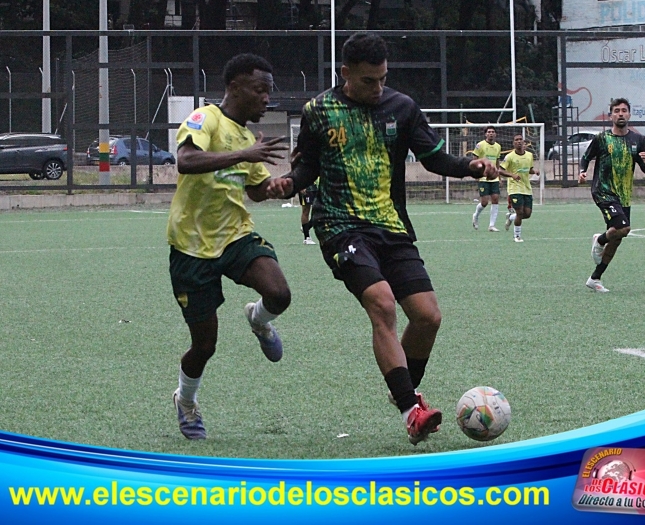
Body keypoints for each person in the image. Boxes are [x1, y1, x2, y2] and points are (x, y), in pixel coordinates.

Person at [267, 33, 497, 445]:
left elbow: (435, 158)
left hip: (391, 225)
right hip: (339, 225)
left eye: (383, 79)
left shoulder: (402, 107)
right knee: (382, 303)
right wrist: (289, 183)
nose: (378, 88)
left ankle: (403, 390)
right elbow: (307, 168)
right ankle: (412, 410)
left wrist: (471, 166)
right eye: (368, 80)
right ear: (345, 73)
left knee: (428, 317)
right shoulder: (319, 111)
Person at [167, 53, 292, 440]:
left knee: (279, 294)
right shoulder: (205, 118)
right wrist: (244, 154)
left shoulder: (247, 139)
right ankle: (186, 400)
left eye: (269, 91)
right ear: (234, 87)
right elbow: (186, 160)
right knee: (205, 345)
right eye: (259, 89)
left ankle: (258, 318)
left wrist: (279, 185)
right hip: (191, 248)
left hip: (236, 236)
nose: (266, 98)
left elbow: (255, 189)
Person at [578, 97, 645, 292]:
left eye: (624, 110)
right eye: (616, 111)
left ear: (629, 114)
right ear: (611, 116)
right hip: (603, 190)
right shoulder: (602, 139)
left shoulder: (638, 140)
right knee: (624, 228)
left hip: (623, 194)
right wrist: (582, 171)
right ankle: (600, 240)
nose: (620, 114)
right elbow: (586, 157)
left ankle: (595, 278)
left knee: (617, 238)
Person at [502, 134, 539, 242]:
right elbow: (500, 170)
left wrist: (534, 171)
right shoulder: (509, 157)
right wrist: (512, 175)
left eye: (520, 139)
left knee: (527, 214)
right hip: (514, 188)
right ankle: (517, 236)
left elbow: (529, 169)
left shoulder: (529, 155)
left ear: (523, 142)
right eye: (516, 140)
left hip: (526, 188)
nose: (519, 141)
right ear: (513, 143)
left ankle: (511, 217)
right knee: (520, 212)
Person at [472, 125, 502, 232]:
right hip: (483, 177)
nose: (491, 133)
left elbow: (497, 162)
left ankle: (492, 225)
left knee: (495, 199)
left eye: (493, 132)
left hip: (493, 177)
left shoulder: (498, 146)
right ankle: (476, 215)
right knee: (484, 202)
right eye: (489, 132)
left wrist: (499, 177)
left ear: (495, 134)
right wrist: (476, 173)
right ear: (485, 134)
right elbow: (474, 160)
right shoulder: (480, 145)